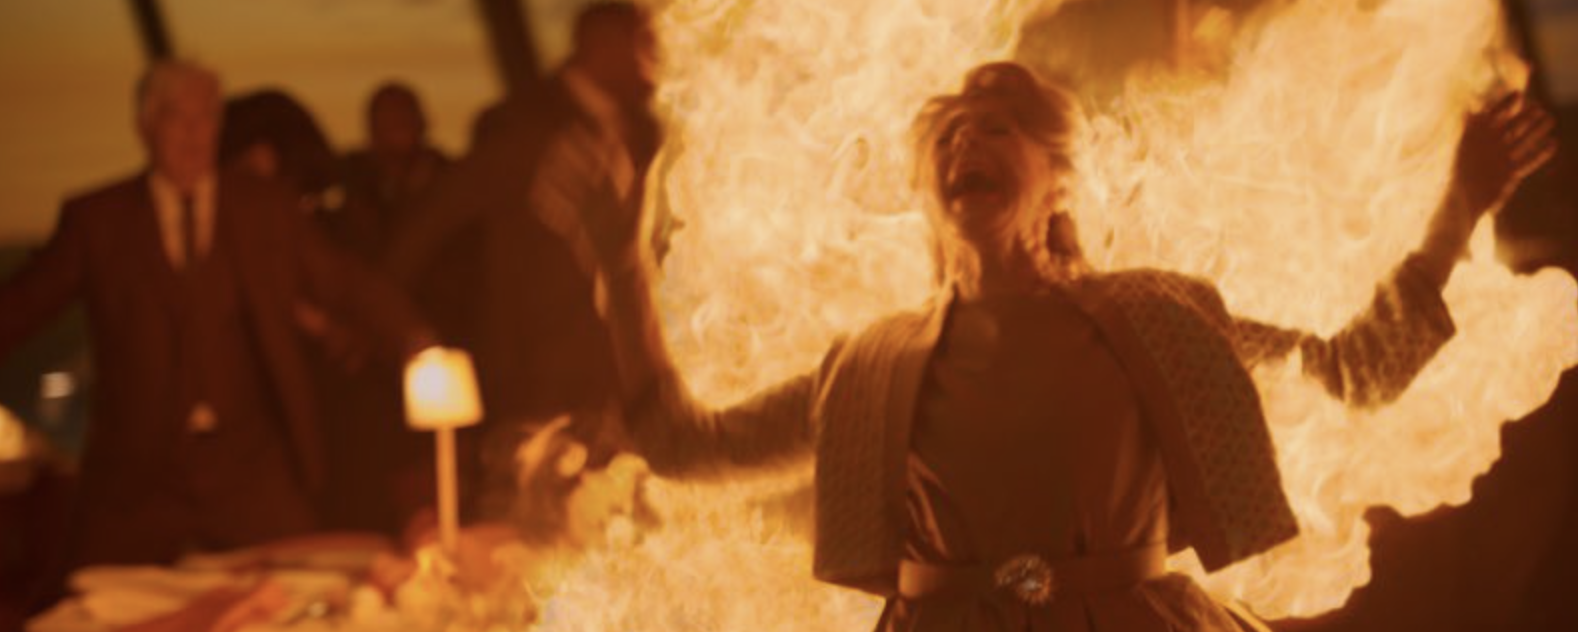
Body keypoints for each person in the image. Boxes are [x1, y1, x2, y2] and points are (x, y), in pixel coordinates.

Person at [587, 62, 1557, 631]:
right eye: (948, 137)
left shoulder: (1160, 320)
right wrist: (623, 264)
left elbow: (1356, 371)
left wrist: (1460, 205)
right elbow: (682, 444)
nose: (966, 144)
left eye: (996, 128)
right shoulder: (870, 366)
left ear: (1057, 179)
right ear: (929, 195)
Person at [0, 60, 433, 569]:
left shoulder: (265, 209)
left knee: (300, 586)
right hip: (137, 478)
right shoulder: (98, 221)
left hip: (246, 468)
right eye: (177, 117)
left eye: (205, 117)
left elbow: (343, 280)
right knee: (89, 597)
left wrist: (417, 338)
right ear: (145, 126)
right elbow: (25, 304)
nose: (193, 133)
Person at [384, 1, 662, 518]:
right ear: (602, 47)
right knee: (544, 517)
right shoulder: (521, 123)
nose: (655, 60)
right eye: (642, 46)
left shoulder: (647, 128)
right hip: (543, 369)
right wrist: (393, 315)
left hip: (630, 364)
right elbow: (432, 220)